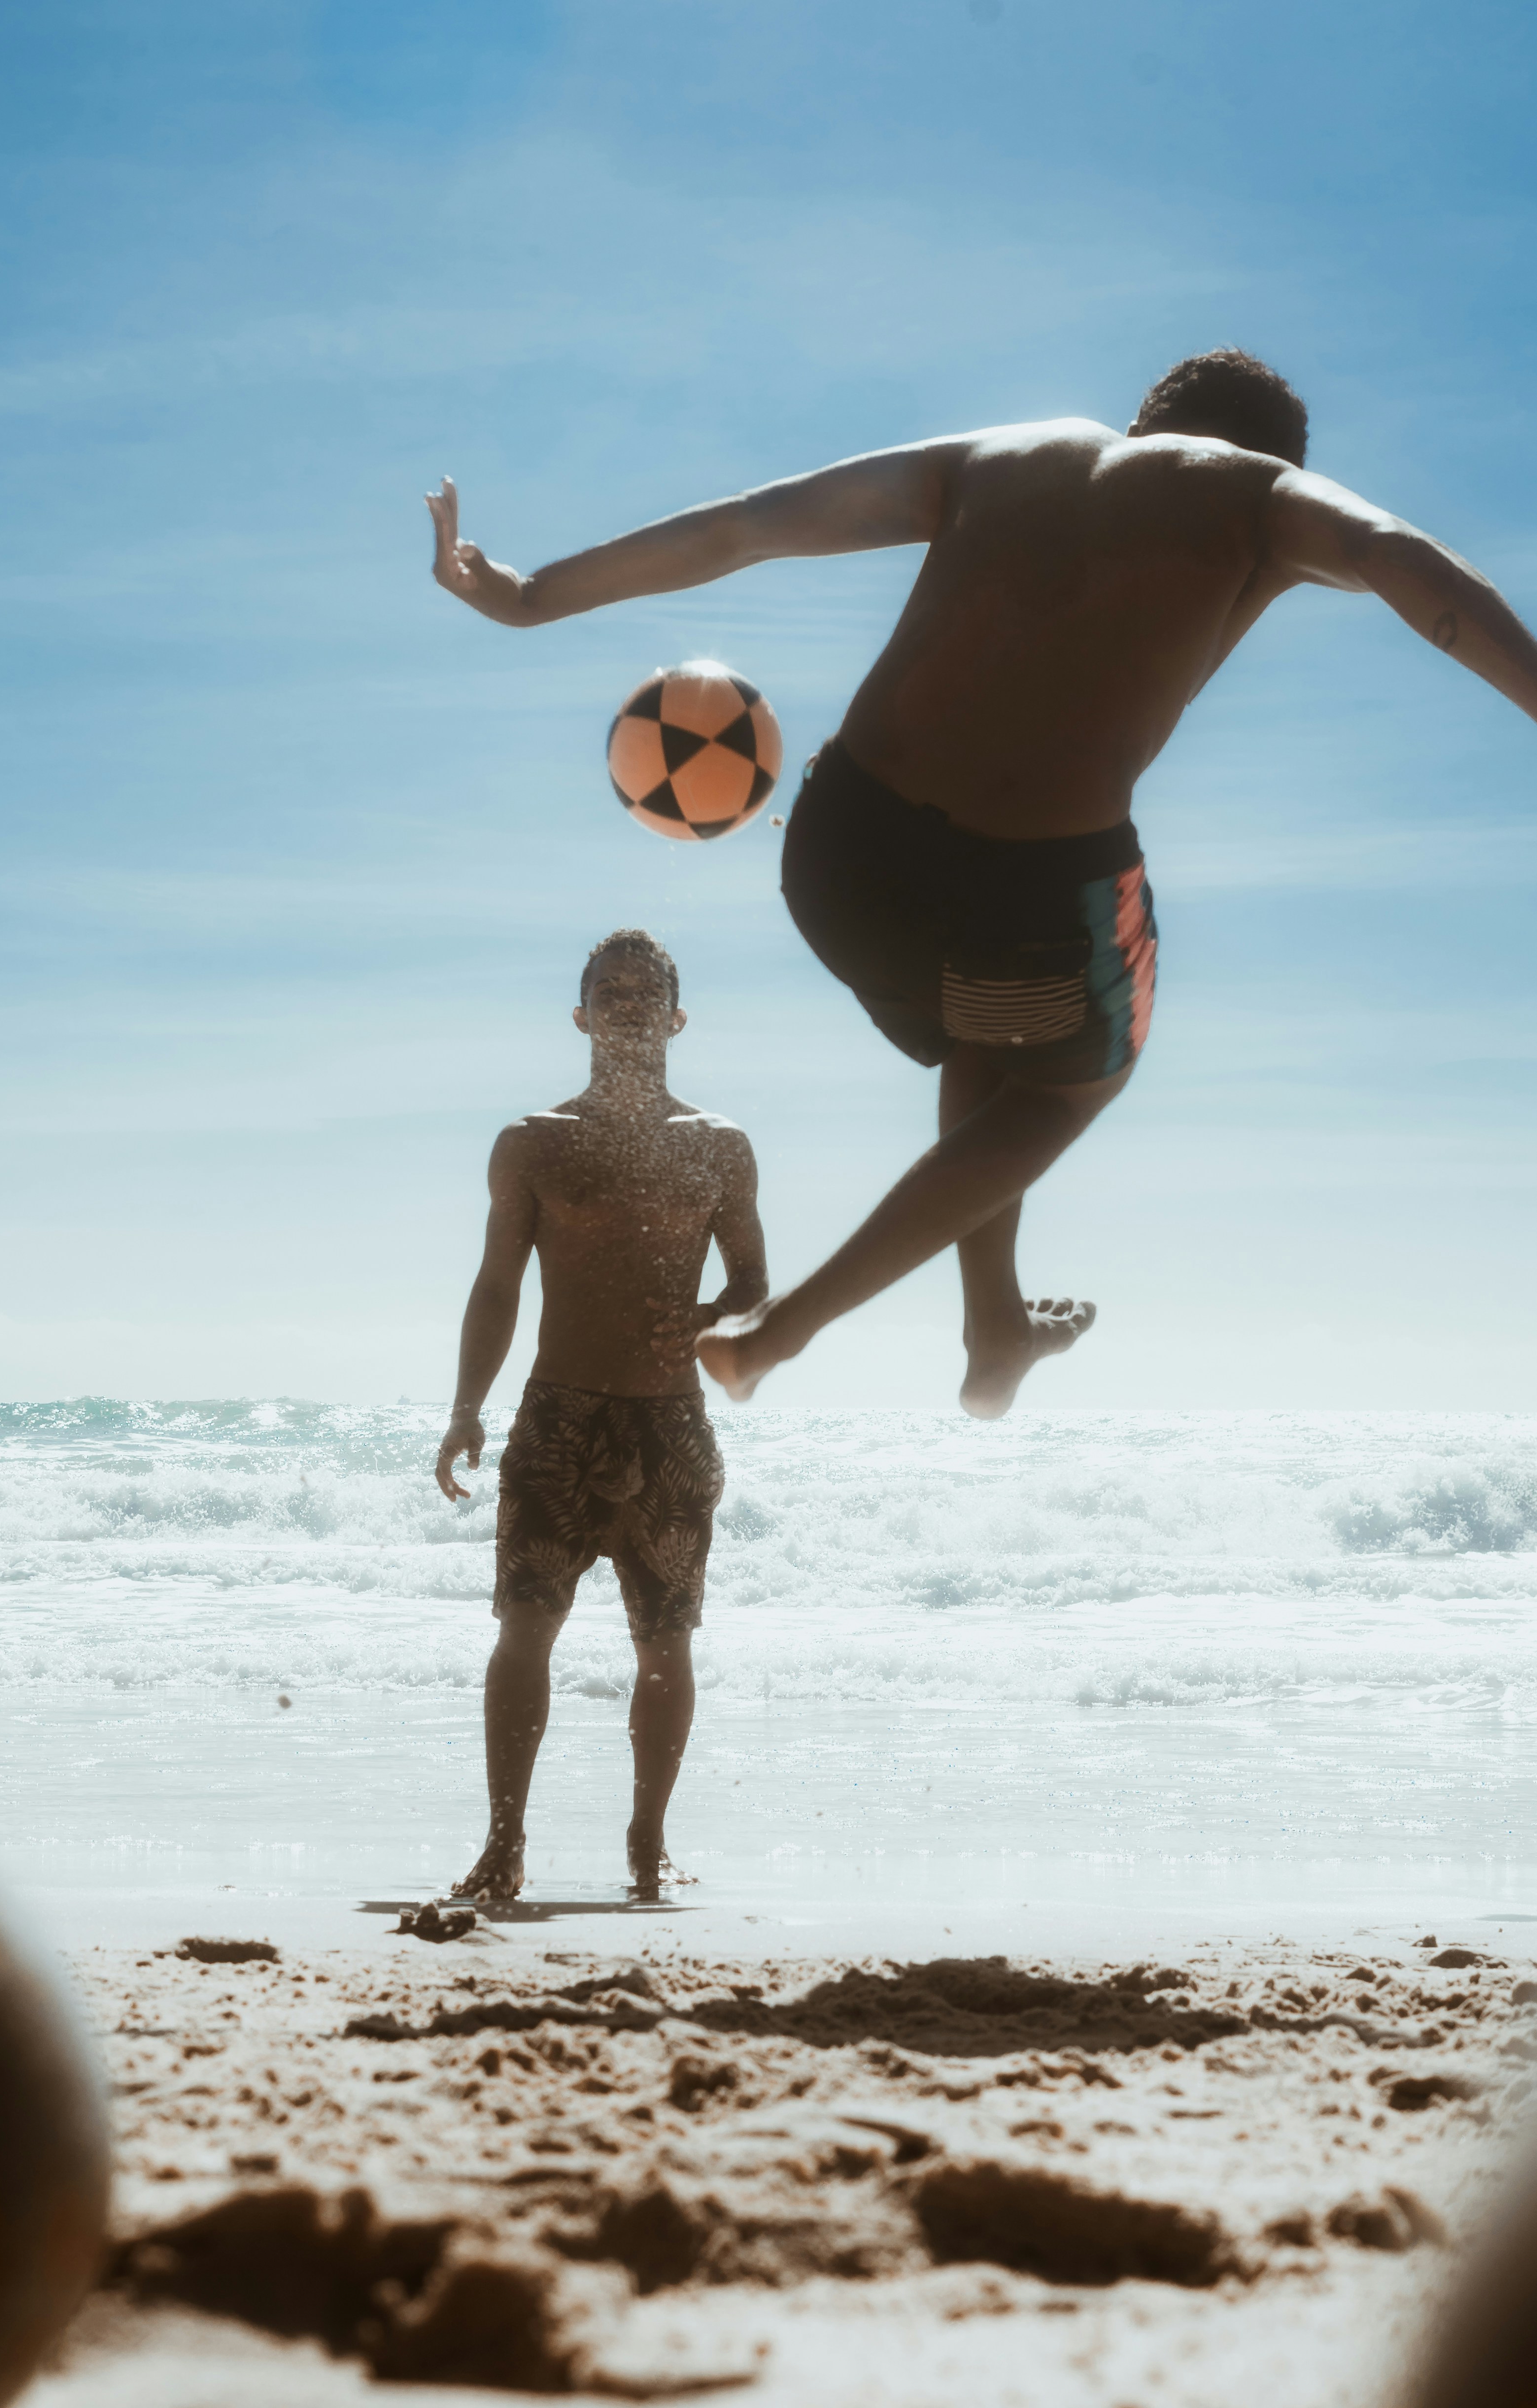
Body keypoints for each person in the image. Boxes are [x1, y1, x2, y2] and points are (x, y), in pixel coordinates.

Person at [425, 349, 1537, 1415]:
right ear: (1274, 453)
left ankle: (993, 1328)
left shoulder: (1012, 452)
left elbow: (747, 524)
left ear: (1141, 421)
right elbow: (1399, 557)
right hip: (1024, 900)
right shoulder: (1261, 495)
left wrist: (529, 595)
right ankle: (777, 1332)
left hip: (838, 862)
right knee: (1074, 1077)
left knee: (997, 1030)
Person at [434, 929, 766, 1901]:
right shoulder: (532, 1142)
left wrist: (709, 1315)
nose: (627, 1002)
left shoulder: (718, 1145)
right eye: (608, 990)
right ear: (579, 1015)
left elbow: (753, 1283)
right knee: (524, 1628)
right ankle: (503, 1840)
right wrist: (465, 1408)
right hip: (559, 1421)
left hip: (670, 1424)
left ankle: (647, 1843)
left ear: (676, 1017)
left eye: (645, 990)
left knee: (665, 1641)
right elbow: (497, 1284)